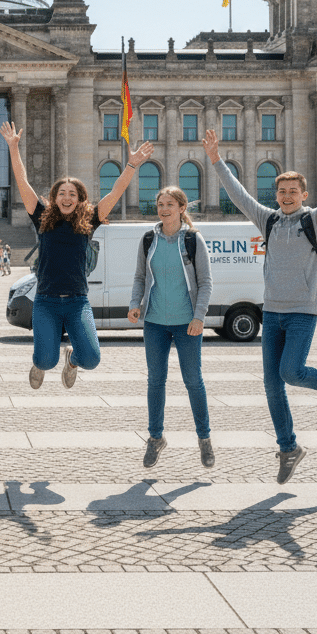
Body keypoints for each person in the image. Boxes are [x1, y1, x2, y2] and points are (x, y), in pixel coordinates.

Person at [203, 117, 317, 484]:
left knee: (291, 371)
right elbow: (239, 196)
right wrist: (216, 160)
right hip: (273, 313)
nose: (286, 196)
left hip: (302, 312)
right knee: (272, 384)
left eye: (293, 191)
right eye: (281, 191)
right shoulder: (268, 221)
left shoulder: (316, 220)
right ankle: (288, 448)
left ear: (304, 195)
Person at [0, 120, 154, 388]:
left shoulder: (90, 219)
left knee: (92, 359)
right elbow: (22, 181)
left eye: (72, 193)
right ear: (55, 197)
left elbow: (116, 191)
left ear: (80, 198)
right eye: (62, 193)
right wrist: (14, 148)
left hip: (77, 302)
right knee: (46, 361)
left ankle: (71, 360)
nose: (67, 197)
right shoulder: (42, 217)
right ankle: (40, 363)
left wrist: (131, 165)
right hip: (45, 302)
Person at [129, 186, 215, 470]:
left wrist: (199, 317)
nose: (164, 209)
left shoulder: (192, 240)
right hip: (154, 322)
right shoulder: (148, 239)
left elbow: (205, 283)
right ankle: (155, 438)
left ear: (181, 207)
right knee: (155, 381)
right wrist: (135, 303)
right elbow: (140, 276)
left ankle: (204, 438)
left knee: (193, 381)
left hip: (187, 324)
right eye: (160, 204)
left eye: (170, 204)